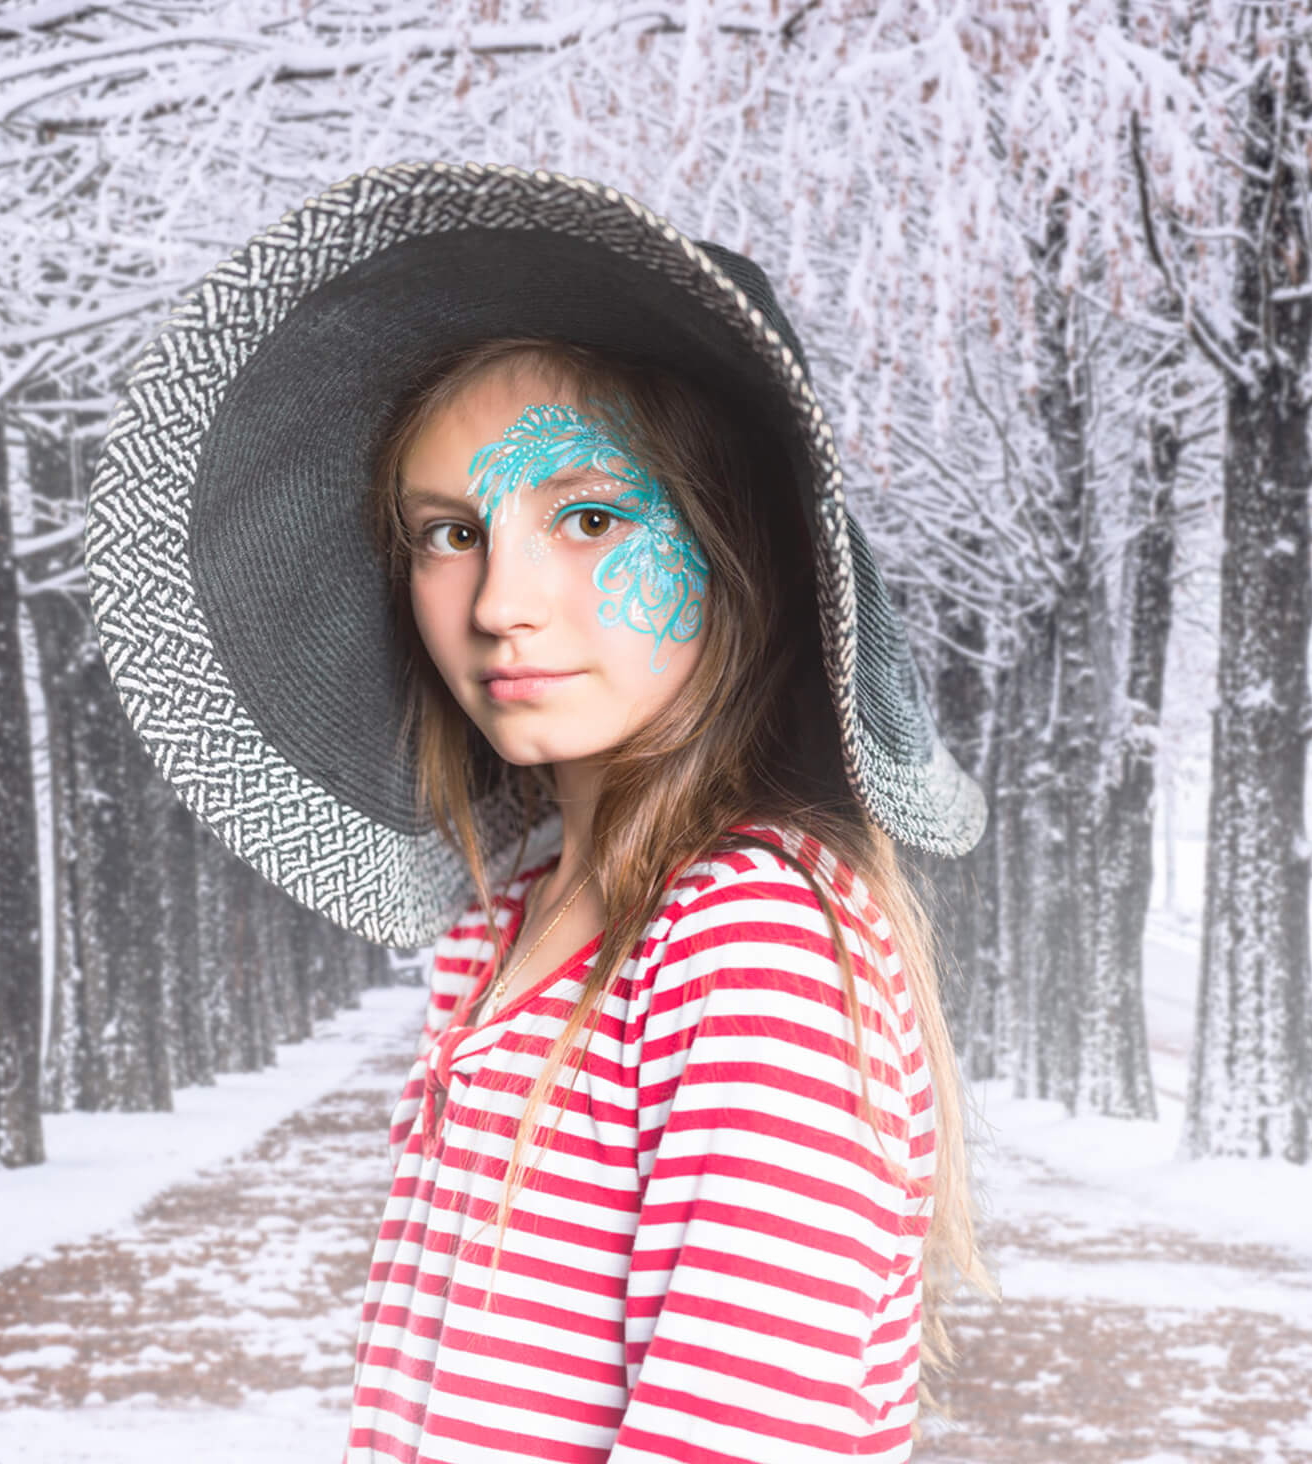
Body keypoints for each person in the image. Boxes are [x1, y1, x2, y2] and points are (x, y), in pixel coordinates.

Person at [84, 161, 993, 1463]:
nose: (501, 601)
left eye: (587, 515)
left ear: (747, 549)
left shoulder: (745, 943)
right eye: (449, 533)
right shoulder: (502, 924)